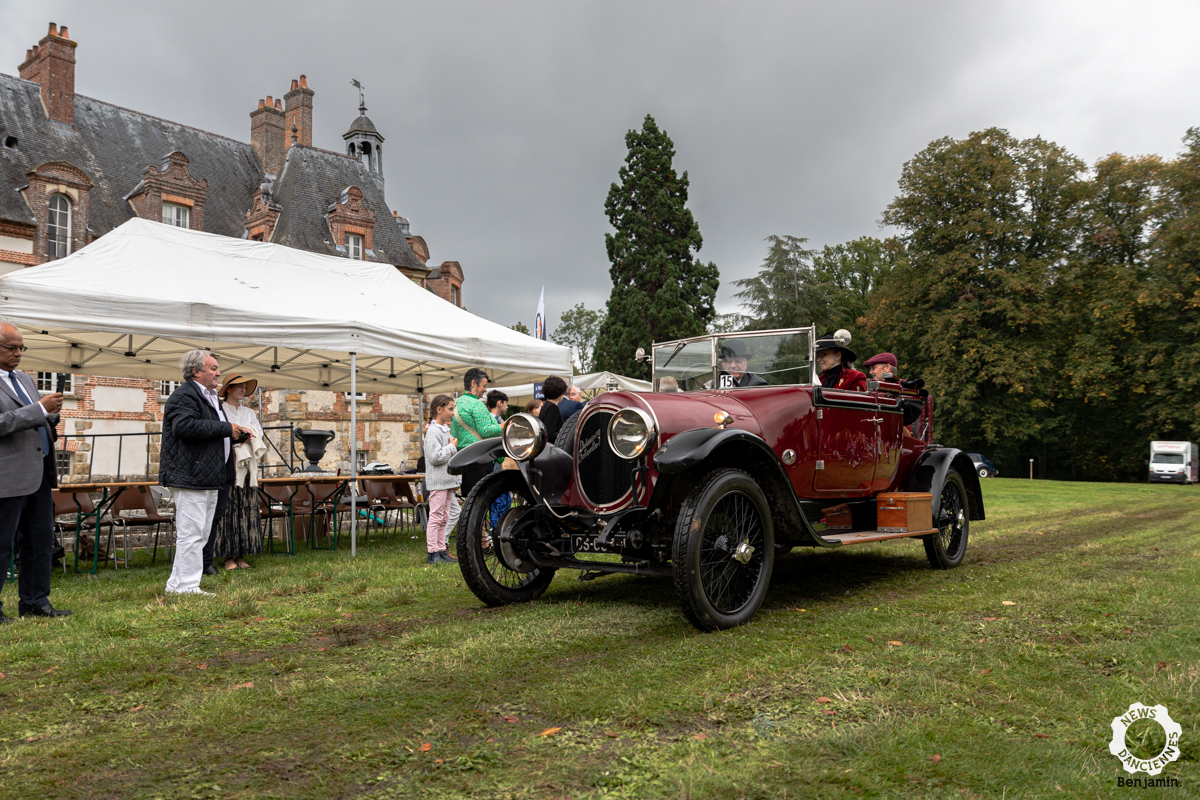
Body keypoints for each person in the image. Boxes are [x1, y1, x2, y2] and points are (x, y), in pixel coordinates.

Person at [160, 350, 254, 596]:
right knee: (191, 533)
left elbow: (212, 434)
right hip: (191, 475)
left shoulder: (210, 397)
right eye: (213, 368)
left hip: (211, 476)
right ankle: (186, 586)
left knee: (200, 532)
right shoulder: (184, 395)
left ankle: (180, 585)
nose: (218, 373)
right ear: (196, 371)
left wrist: (236, 434)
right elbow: (184, 426)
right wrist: (227, 427)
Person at [0, 321, 70, 621]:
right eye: (11, 347)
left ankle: (35, 602)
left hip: (38, 470)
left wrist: (48, 417)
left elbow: (30, 418)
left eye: (21, 348)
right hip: (7, 475)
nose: (18, 353)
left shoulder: (25, 380)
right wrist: (39, 410)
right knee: (2, 544)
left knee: (39, 540)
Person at [210, 375, 266, 571]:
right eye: (239, 387)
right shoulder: (219, 409)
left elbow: (259, 433)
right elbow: (219, 433)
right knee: (227, 510)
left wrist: (247, 433)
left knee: (245, 509)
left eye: (244, 387)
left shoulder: (249, 412)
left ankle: (241, 555)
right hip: (227, 464)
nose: (243, 390)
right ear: (229, 389)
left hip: (246, 464)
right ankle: (227, 557)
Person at [450, 367, 502, 499]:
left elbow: (453, 432)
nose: (485, 390)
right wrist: (506, 425)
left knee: (470, 504)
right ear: (473, 384)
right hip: (481, 459)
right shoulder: (476, 404)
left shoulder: (457, 403)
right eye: (484, 386)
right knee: (482, 505)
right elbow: (486, 431)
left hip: (464, 459)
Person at [424, 394, 459, 565]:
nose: (453, 413)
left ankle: (441, 549)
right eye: (450, 409)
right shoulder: (433, 431)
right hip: (438, 482)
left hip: (447, 482)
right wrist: (452, 447)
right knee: (436, 517)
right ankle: (432, 553)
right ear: (439, 409)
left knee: (444, 517)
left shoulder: (444, 430)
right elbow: (435, 457)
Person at [538, 375, 568, 443]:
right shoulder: (553, 408)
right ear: (560, 392)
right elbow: (550, 434)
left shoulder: (545, 406)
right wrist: (565, 434)